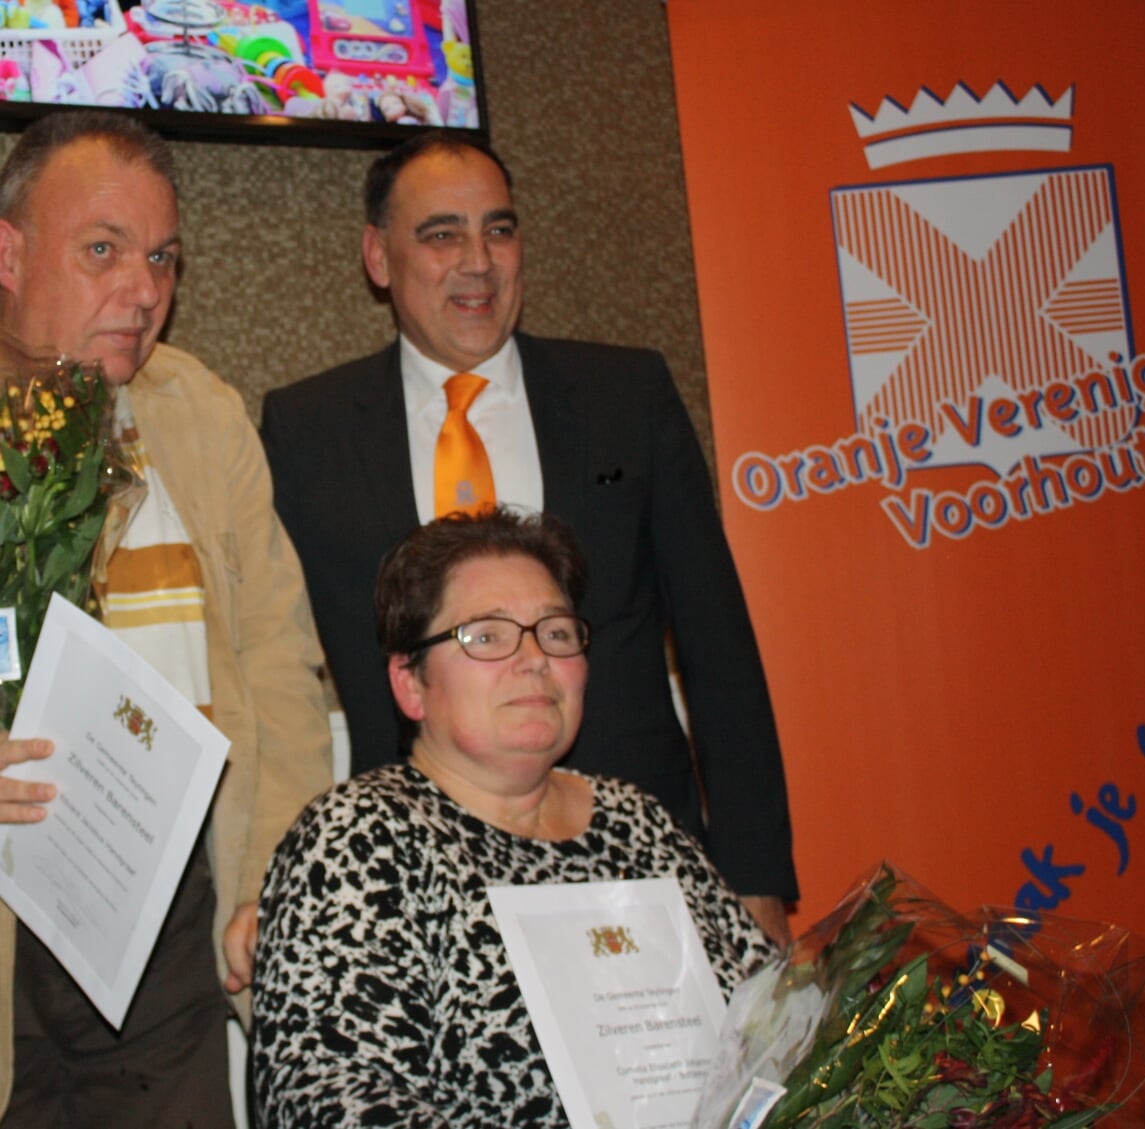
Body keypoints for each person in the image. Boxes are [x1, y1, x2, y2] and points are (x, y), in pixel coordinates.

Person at [0, 111, 335, 1129]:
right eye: (101, 250)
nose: (143, 290)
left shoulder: (199, 413)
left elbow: (280, 666)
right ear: (7, 253)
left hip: (166, 931)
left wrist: (273, 886)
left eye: (161, 257)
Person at [259, 132, 798, 942]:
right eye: (441, 234)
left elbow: (718, 646)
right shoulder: (307, 431)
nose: (477, 261)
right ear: (378, 256)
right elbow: (274, 665)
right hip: (415, 889)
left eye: (499, 230)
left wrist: (754, 876)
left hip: (637, 863)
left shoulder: (626, 396)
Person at [251, 509, 776, 1126]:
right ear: (410, 682)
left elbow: (770, 1023)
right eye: (487, 636)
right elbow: (329, 1097)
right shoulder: (356, 841)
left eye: (554, 633)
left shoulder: (641, 823)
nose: (533, 659)